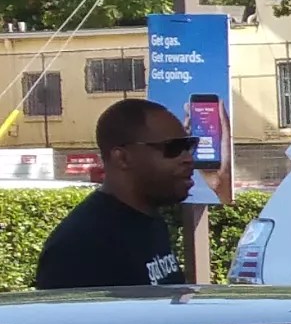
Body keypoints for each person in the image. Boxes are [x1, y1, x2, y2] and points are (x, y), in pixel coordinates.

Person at [33, 97, 200, 289]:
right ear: (122, 157)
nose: (188, 159)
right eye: (173, 148)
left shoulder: (150, 220)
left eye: (189, 146)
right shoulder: (80, 247)